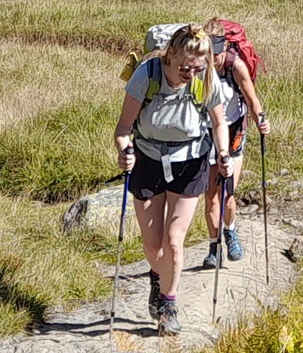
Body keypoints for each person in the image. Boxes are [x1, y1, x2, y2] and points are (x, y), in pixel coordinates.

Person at [114, 22, 233, 335]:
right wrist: (125, 151)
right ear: (170, 55)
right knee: (153, 248)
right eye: (185, 68)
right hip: (148, 161)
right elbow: (123, 128)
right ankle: (158, 277)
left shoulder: (205, 79)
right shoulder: (148, 75)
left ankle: (168, 303)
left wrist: (224, 155)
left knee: (174, 242)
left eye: (197, 68)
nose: (190, 75)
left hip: (190, 162)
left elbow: (219, 122)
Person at [200, 19, 268, 268]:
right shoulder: (198, 66)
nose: (213, 60)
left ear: (225, 48)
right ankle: (213, 247)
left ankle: (230, 230)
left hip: (234, 130)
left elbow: (252, 100)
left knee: (227, 193)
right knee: (210, 196)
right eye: (208, 55)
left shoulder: (235, 65)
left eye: (216, 55)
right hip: (206, 133)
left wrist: (261, 120)